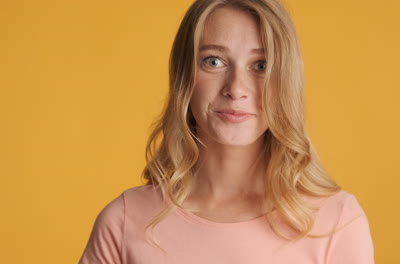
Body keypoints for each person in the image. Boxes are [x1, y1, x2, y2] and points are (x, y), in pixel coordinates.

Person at [78, 0, 374, 263]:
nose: (235, 89)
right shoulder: (124, 221)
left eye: (261, 65)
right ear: (184, 77)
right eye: (214, 61)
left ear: (286, 81)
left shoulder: (337, 222)